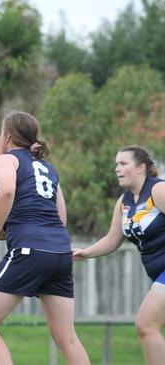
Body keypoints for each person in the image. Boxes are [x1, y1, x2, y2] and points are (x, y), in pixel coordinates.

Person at [0, 111, 90, 365]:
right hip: (59, 252)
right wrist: (5, 232)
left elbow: (8, 190)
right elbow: (60, 216)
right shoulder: (47, 167)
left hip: (29, 251)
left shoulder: (6, 160)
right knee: (67, 339)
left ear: (7, 136)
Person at [73, 146, 165, 365]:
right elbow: (112, 240)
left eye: (123, 164)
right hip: (157, 274)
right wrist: (86, 252)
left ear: (141, 167)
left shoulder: (158, 190)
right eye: (116, 164)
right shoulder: (124, 202)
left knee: (146, 325)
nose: (117, 169)